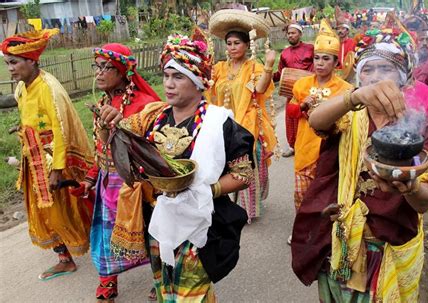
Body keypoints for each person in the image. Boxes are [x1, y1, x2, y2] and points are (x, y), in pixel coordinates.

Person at [96, 32, 254, 302]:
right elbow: (118, 151)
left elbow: (243, 174)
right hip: (158, 222)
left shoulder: (220, 124)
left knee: (192, 295)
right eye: (167, 76)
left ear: (198, 82)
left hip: (201, 225)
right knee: (165, 291)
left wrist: (205, 189)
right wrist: (106, 127)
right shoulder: (151, 117)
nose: (169, 84)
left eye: (178, 77)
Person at [291, 25, 428, 302]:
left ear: (402, 78)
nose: (375, 77)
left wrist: (408, 188)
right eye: (367, 69)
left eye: (384, 68)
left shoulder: (418, 127)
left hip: (386, 245)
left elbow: (424, 202)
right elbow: (315, 121)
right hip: (341, 237)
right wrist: (354, 98)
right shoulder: (349, 114)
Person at [1, 29, 93, 280]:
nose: (10, 68)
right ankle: (64, 257)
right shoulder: (22, 87)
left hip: (53, 161)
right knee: (41, 210)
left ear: (31, 60)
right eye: (7, 63)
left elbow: (62, 130)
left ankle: (100, 250)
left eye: (14, 62)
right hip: (32, 158)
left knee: (65, 209)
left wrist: (57, 169)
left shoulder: (49, 88)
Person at [83, 43, 160, 302]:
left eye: (106, 67)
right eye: (97, 66)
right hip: (108, 180)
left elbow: (154, 149)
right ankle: (107, 280)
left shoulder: (145, 104)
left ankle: (160, 278)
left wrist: (123, 124)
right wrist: (92, 175)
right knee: (105, 233)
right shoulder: (104, 102)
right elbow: (100, 145)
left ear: (123, 72)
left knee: (148, 230)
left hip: (134, 182)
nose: (99, 73)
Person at [286, 19, 352, 244]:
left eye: (326, 58)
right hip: (305, 148)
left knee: (325, 196)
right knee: (301, 196)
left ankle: (323, 236)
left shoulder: (345, 90)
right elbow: (292, 111)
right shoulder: (302, 85)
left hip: (330, 153)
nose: (320, 63)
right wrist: (304, 105)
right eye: (317, 58)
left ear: (336, 62)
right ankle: (302, 231)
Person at [208, 10, 278, 221]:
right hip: (223, 125)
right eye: (229, 43)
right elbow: (208, 89)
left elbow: (259, 88)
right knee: (222, 165)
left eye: (236, 43)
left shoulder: (253, 67)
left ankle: (248, 210)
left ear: (247, 45)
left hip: (248, 124)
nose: (232, 48)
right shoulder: (219, 67)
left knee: (247, 165)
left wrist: (268, 66)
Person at [273, 23, 315, 158]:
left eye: (293, 33)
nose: (290, 35)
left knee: (309, 118)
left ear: (300, 34)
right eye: (289, 33)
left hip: (309, 91)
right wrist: (268, 75)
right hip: (291, 92)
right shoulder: (284, 53)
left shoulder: (310, 48)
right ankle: (293, 146)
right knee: (291, 119)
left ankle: (310, 146)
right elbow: (281, 73)